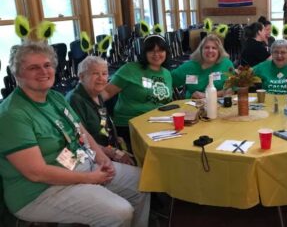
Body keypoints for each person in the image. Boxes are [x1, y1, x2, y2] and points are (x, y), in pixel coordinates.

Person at [0, 41, 150, 226]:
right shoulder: (12, 115)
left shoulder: (54, 97)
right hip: (41, 191)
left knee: (145, 181)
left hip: (81, 165)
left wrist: (102, 157)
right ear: (17, 73)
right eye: (33, 67)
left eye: (47, 65)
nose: (43, 72)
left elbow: (81, 130)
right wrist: (89, 179)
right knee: (119, 212)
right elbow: (36, 173)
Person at [103, 35, 173, 147]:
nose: (156, 55)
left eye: (160, 50)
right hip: (130, 126)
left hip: (158, 123)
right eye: (151, 51)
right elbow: (105, 93)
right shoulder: (130, 69)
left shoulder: (167, 73)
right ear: (144, 53)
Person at [66, 56, 134, 165]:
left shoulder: (97, 93)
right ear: (82, 77)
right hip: (91, 159)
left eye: (104, 73)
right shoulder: (75, 100)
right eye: (95, 73)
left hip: (109, 148)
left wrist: (116, 141)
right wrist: (114, 153)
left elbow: (103, 125)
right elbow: (81, 141)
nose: (101, 78)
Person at [172, 34, 234, 99]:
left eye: (214, 48)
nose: (210, 51)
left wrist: (206, 95)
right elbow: (169, 79)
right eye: (207, 47)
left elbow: (232, 88)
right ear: (201, 50)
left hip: (220, 104)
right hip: (193, 105)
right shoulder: (189, 66)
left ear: (219, 51)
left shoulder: (226, 64)